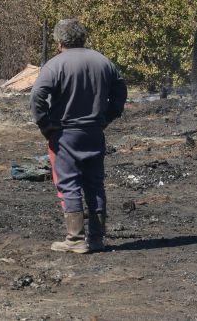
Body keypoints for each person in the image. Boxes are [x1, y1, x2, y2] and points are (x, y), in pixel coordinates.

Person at [30, 19, 127, 254]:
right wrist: (107, 118)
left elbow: (37, 96)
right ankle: (96, 238)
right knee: (95, 184)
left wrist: (45, 125)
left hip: (65, 134)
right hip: (94, 132)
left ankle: (75, 240)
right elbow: (121, 92)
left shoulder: (55, 65)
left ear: (59, 42)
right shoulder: (103, 61)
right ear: (83, 38)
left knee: (68, 184)